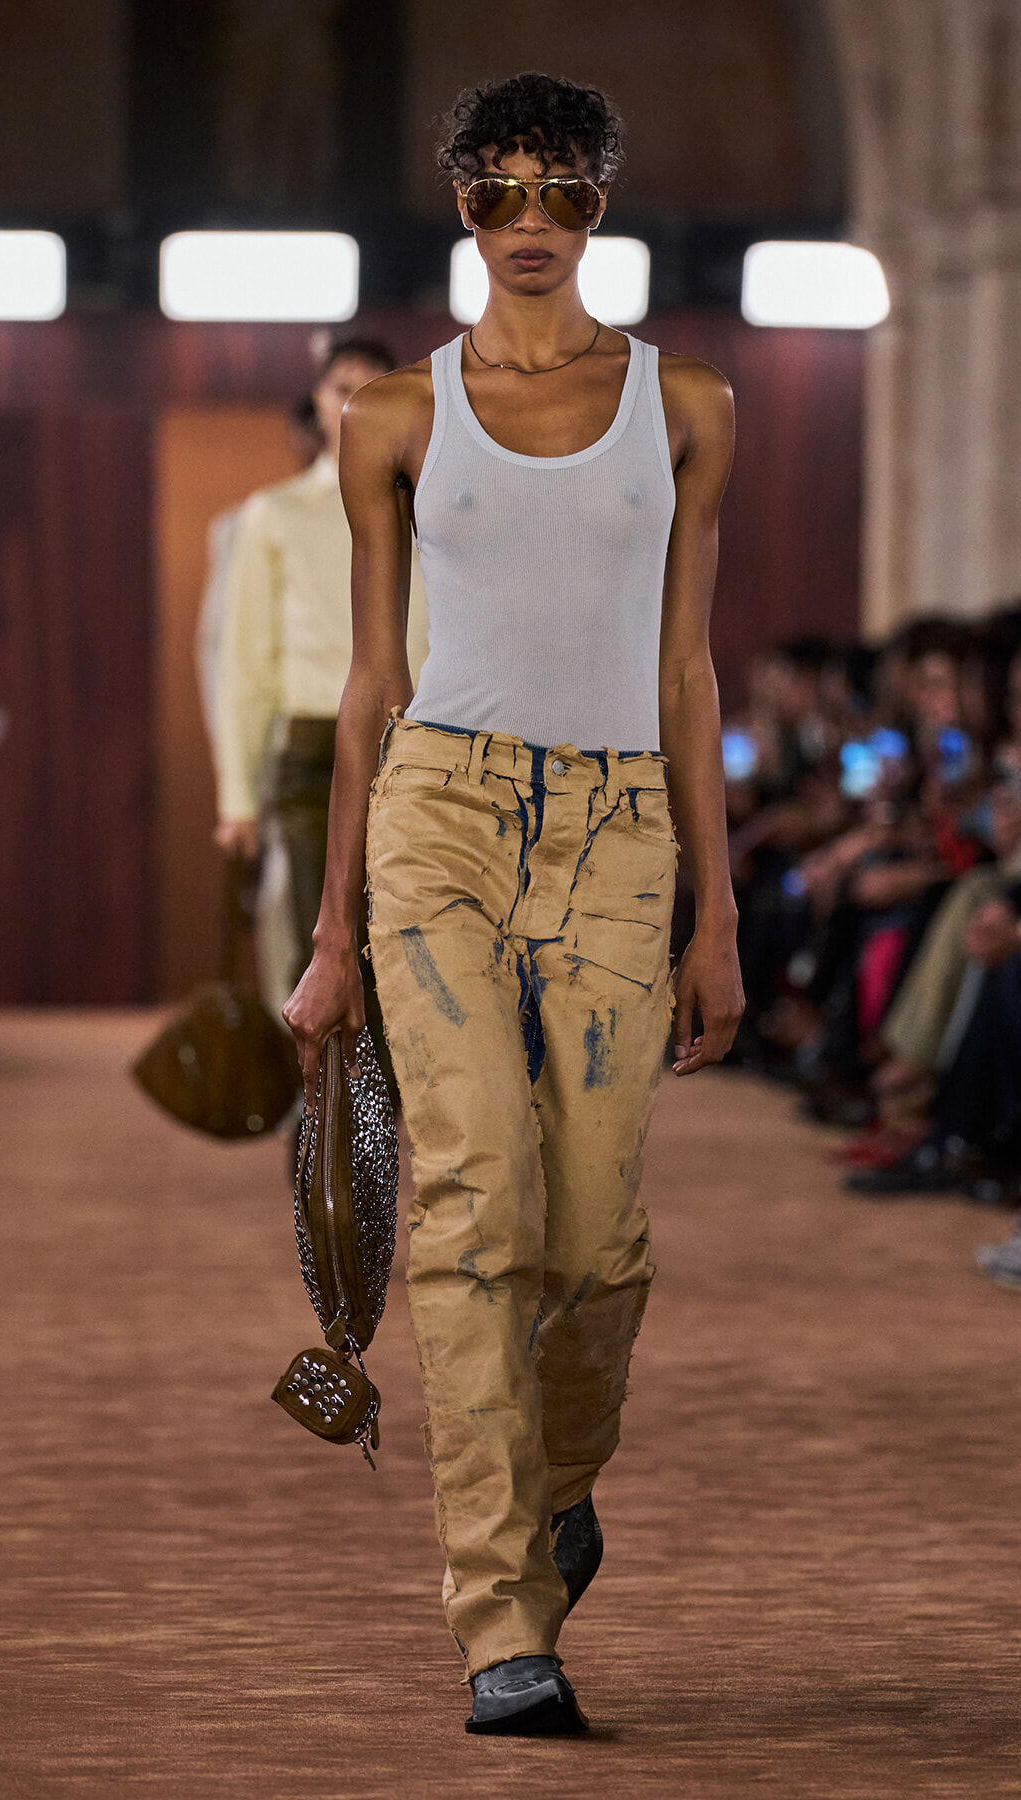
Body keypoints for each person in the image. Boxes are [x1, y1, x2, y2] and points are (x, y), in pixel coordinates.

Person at [283, 70, 744, 1735]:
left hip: (624, 823)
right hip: (442, 819)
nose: (533, 224)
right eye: (501, 193)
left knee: (600, 1234)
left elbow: (692, 667)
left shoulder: (688, 404)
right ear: (459, 205)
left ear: (605, 205)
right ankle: (500, 1619)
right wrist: (333, 933)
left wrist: (719, 912)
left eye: (566, 193)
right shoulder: (393, 419)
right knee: (476, 1211)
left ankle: (551, 1485)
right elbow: (366, 684)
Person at [211, 337, 430, 1027]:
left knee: (409, 955)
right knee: (321, 946)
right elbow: (245, 662)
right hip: (315, 746)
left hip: (422, 745)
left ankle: (372, 1129)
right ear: (318, 403)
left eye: (374, 388)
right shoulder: (273, 513)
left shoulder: (435, 512)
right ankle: (325, 1129)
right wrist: (238, 798)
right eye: (342, 388)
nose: (355, 403)